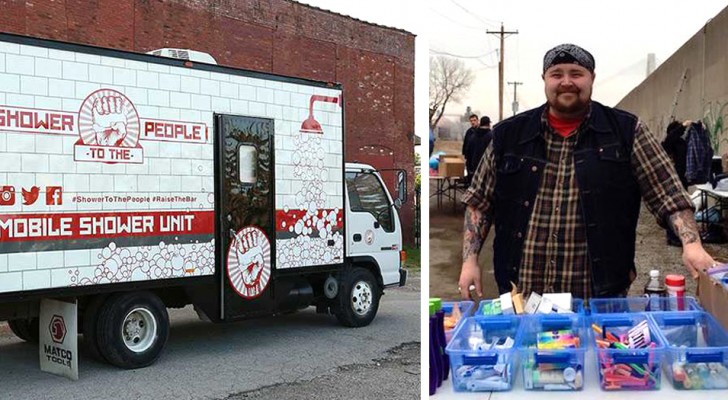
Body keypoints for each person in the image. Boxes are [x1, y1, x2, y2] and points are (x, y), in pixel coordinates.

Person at [458, 43, 716, 300]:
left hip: (598, 298)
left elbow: (668, 192)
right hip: (522, 296)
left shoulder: (626, 131)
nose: (566, 82)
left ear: (592, 77)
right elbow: (480, 202)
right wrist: (470, 261)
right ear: (545, 79)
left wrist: (691, 243)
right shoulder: (508, 134)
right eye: (557, 74)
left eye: (576, 73)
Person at [662, 120, 689, 246]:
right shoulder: (669, 143)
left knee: (682, 209)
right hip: (672, 180)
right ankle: (672, 236)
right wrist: (682, 127)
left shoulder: (682, 143)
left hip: (682, 180)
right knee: (673, 209)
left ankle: (678, 236)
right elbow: (668, 140)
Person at [462, 116, 493, 185]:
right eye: (471, 121)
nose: (473, 122)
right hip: (486, 167)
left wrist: (468, 165)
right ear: (489, 124)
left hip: (474, 165)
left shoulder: (473, 136)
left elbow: (467, 150)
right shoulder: (491, 136)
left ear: (479, 122)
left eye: (474, 120)